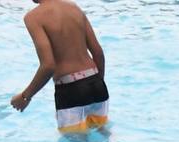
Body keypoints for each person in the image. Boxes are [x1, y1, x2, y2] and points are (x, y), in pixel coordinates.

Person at [9, 0, 108, 134]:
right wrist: (97, 83)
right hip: (97, 84)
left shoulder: (33, 17)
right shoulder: (74, 8)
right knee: (103, 134)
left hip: (70, 89)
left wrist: (25, 97)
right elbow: (98, 53)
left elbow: (48, 66)